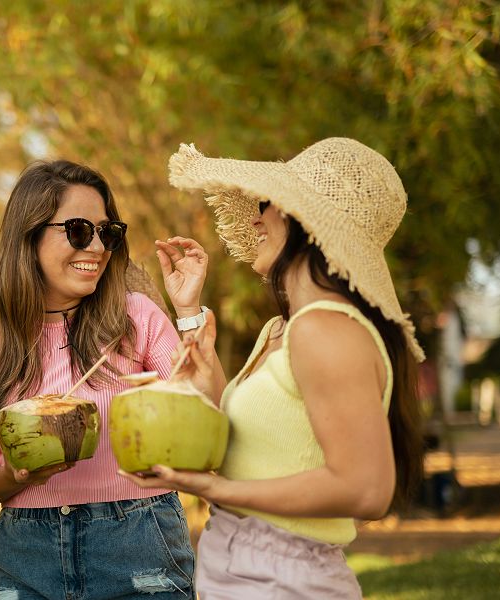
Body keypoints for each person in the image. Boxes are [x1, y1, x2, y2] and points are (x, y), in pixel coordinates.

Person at [124, 138, 426, 599]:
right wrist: (187, 313)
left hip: (283, 578)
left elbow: (367, 489)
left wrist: (216, 488)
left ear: (305, 219)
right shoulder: (281, 330)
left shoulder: (326, 331)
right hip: (240, 563)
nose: (255, 217)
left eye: (268, 203)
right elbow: (251, 444)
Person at [0, 160, 196, 599]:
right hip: (27, 552)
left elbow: (200, 415)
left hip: (138, 540)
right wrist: (18, 477)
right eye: (80, 230)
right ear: (30, 234)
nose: (98, 247)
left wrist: (189, 313)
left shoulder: (136, 317)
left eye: (108, 232)